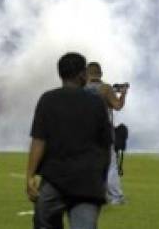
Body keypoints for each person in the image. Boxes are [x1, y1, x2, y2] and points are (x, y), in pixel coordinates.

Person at [26, 52, 112, 229]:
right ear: (82, 74)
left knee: (43, 221)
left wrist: (30, 176)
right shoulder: (96, 103)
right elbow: (106, 144)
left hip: (54, 181)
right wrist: (101, 178)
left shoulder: (48, 100)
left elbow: (38, 141)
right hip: (88, 183)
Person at [83, 62, 127, 204]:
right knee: (110, 166)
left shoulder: (81, 89)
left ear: (87, 74)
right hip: (104, 132)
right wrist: (123, 94)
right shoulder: (106, 89)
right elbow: (117, 106)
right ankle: (115, 197)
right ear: (100, 74)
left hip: (85, 132)